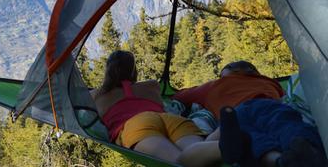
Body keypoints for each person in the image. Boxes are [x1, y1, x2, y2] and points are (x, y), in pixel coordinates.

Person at [174, 61, 328, 167]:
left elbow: (180, 95)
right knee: (286, 125)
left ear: (238, 71)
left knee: (252, 138)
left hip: (234, 117)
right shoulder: (271, 83)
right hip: (267, 107)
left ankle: (277, 161)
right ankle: (308, 149)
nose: (220, 79)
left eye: (222, 74)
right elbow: (285, 99)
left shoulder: (215, 86)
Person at [90, 50, 221, 165]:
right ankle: (221, 136)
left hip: (135, 125)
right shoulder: (152, 85)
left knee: (177, 162)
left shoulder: (96, 95)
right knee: (201, 151)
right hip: (170, 119)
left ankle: (225, 144)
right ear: (133, 70)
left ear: (108, 70)